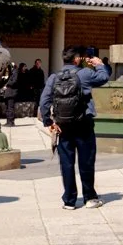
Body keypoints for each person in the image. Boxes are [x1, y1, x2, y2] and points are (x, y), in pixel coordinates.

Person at [41, 46, 111, 209]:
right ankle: (89, 197)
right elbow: (104, 78)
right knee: (86, 161)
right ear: (76, 59)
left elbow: (44, 102)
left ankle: (69, 200)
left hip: (63, 126)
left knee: (66, 162)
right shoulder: (85, 74)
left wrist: (49, 122)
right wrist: (99, 64)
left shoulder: (54, 77)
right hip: (84, 123)